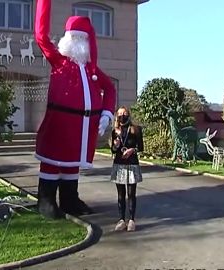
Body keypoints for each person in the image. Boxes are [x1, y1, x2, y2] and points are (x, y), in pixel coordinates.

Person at [34, 0, 117, 219]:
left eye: (82, 38)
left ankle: (70, 200)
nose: (77, 42)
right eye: (74, 37)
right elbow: (41, 36)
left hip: (82, 128)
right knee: (53, 162)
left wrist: (107, 113)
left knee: (71, 165)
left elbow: (109, 90)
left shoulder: (92, 70)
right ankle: (46, 201)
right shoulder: (59, 61)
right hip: (60, 123)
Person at [110, 106, 143, 231]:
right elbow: (113, 150)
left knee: (131, 194)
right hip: (119, 164)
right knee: (120, 194)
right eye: (119, 114)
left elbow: (141, 147)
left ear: (129, 115)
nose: (122, 116)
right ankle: (121, 219)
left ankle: (132, 220)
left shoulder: (136, 129)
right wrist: (116, 146)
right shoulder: (115, 131)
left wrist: (132, 150)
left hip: (132, 164)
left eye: (124, 113)